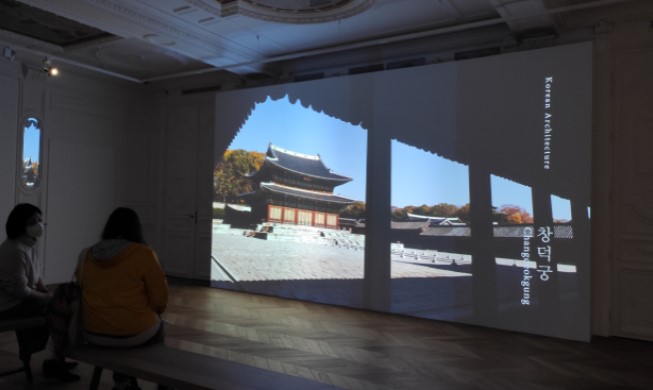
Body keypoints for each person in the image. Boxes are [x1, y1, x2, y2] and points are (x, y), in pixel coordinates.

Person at [77, 207, 168, 390]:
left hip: (91, 332)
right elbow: (160, 301)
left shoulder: (86, 254)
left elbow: (81, 287)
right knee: (159, 330)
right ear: (136, 229)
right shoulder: (144, 254)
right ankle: (164, 385)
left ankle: (121, 383)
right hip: (135, 334)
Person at [0, 203, 80, 382]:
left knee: (65, 298)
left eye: (40, 220)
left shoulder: (29, 243)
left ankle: (55, 357)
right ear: (20, 225)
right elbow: (19, 291)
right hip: (8, 304)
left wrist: (44, 290)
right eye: (33, 221)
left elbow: (36, 273)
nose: (39, 225)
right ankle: (53, 360)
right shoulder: (15, 250)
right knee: (60, 309)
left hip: (20, 298)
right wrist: (46, 297)